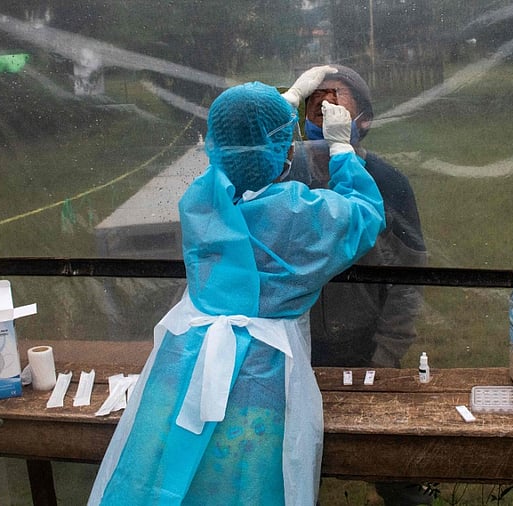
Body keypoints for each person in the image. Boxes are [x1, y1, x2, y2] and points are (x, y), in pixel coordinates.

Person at [88, 69, 386, 506]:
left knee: (162, 469)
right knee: (246, 480)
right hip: (262, 371)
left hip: (183, 359)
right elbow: (363, 214)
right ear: (286, 148)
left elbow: (236, 153)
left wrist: (283, 103)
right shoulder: (298, 215)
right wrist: (341, 147)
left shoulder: (200, 201)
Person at [289, 64, 430, 505]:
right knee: (284, 465)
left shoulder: (388, 184)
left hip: (365, 347)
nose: (324, 109)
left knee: (395, 466)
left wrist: (385, 355)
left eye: (335, 102)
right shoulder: (282, 176)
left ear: (363, 121)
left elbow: (409, 278)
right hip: (292, 349)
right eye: (315, 103)